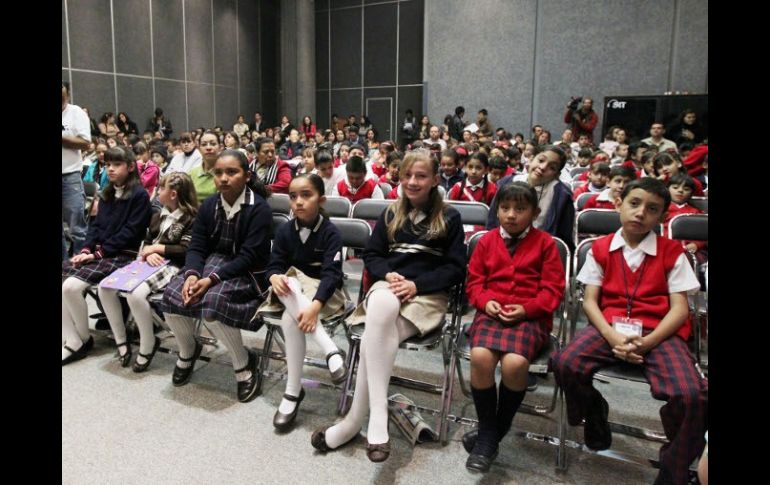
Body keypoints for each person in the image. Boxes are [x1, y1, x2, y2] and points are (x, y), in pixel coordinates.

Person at [311, 149, 466, 462]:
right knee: (381, 302)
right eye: (407, 175)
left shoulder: (450, 217)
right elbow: (373, 255)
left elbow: (455, 268)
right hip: (389, 286)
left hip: (427, 295)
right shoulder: (391, 213)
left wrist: (416, 285)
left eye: (421, 176)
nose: (412, 181)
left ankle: (355, 420)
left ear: (435, 179)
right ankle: (378, 415)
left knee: (374, 338)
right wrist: (388, 273)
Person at [551, 177, 706, 485]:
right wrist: (612, 337)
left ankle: (673, 466)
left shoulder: (672, 252)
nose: (640, 213)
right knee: (564, 363)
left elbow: (679, 310)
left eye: (651, 209)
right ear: (619, 203)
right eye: (634, 204)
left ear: (662, 217)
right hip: (610, 327)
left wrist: (647, 342)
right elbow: (591, 303)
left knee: (692, 395)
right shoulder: (600, 248)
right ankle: (595, 411)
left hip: (659, 332)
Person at [463, 182, 566, 472]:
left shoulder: (545, 244)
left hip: (530, 317)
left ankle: (491, 434)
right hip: (491, 312)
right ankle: (488, 434)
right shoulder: (486, 241)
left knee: (515, 364)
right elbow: (474, 285)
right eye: (505, 208)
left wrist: (527, 309)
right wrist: (485, 302)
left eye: (520, 209)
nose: (511, 215)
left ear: (534, 213)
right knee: (481, 357)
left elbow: (553, 291)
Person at [161, 149, 272, 402]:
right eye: (219, 172)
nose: (223, 178)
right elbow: (197, 246)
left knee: (211, 305)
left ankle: (243, 363)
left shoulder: (260, 209)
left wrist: (211, 279)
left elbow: (250, 257)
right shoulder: (209, 205)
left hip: (247, 272)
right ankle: (188, 350)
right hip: (211, 266)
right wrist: (191, 274)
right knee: (171, 295)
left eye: (232, 172)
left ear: (247, 176)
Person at [258, 174, 349, 430]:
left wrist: (315, 307)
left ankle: (292, 391)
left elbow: (333, 275)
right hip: (294, 295)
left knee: (290, 312)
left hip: (325, 296)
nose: (298, 201)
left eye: (306, 195)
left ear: (321, 200)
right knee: (289, 281)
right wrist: (273, 276)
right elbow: (274, 265)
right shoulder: (286, 230)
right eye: (293, 196)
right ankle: (330, 349)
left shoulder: (331, 232)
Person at [98, 172, 198, 371]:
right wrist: (147, 251)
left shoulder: (191, 218)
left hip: (172, 265)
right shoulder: (157, 215)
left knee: (136, 295)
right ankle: (121, 339)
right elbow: (146, 241)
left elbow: (186, 250)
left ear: (173, 194)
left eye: (161, 188)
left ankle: (148, 342)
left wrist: (157, 249)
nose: (157, 191)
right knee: (105, 287)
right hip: (147, 261)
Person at [62, 146, 152, 365]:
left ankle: (80, 340)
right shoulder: (107, 192)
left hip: (123, 255)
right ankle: (76, 339)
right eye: (108, 165)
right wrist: (85, 249)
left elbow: (129, 234)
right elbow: (95, 227)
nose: (110, 169)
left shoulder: (139, 195)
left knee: (70, 287)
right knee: (65, 283)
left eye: (116, 165)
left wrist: (96, 254)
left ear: (131, 167)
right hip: (102, 254)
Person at [488, 145, 575, 251]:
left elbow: (563, 240)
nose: (543, 167)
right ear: (531, 158)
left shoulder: (562, 196)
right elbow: (492, 221)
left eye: (552, 168)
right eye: (541, 160)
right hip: (501, 246)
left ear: (557, 175)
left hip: (540, 250)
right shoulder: (507, 182)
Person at [62, 81, 92, 260]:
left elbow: (85, 142)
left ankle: (81, 264)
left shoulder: (76, 113)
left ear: (68, 96)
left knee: (76, 228)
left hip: (69, 176)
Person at [189, 131, 221, 202]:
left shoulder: (225, 173)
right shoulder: (191, 173)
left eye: (213, 144)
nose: (208, 147)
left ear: (220, 147)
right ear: (199, 149)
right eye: (204, 144)